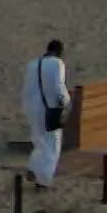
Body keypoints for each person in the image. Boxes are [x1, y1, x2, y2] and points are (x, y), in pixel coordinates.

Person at [22, 40, 71, 188]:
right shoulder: (57, 63)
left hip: (31, 108)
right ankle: (43, 179)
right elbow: (58, 87)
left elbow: (27, 88)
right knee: (53, 143)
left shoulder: (33, 64)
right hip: (49, 108)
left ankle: (33, 168)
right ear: (59, 51)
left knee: (39, 140)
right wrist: (66, 102)